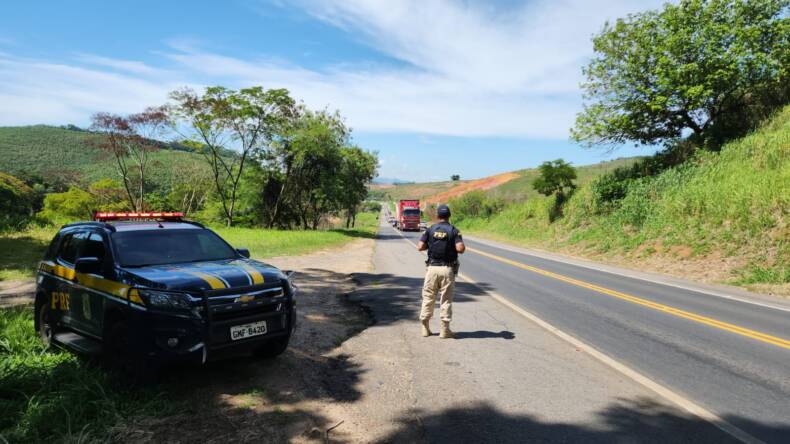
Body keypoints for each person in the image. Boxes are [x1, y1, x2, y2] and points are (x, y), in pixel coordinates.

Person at [416, 204, 465, 339]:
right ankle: (444, 331)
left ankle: (425, 328)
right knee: (446, 300)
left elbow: (420, 246)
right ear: (449, 216)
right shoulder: (454, 230)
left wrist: (431, 245)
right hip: (447, 269)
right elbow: (460, 248)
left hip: (432, 269)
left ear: (437, 216)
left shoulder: (430, 229)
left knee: (428, 298)